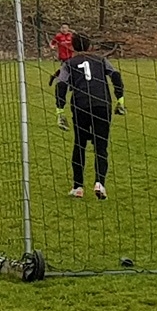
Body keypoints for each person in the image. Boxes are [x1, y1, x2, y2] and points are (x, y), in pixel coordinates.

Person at [55, 33, 125, 200]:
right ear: (90, 46)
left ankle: (78, 187)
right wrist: (120, 99)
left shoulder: (69, 63)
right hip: (102, 104)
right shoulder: (101, 60)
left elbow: (61, 84)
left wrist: (60, 110)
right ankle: (100, 183)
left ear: (72, 46)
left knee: (79, 144)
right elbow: (115, 75)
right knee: (101, 146)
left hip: (81, 105)